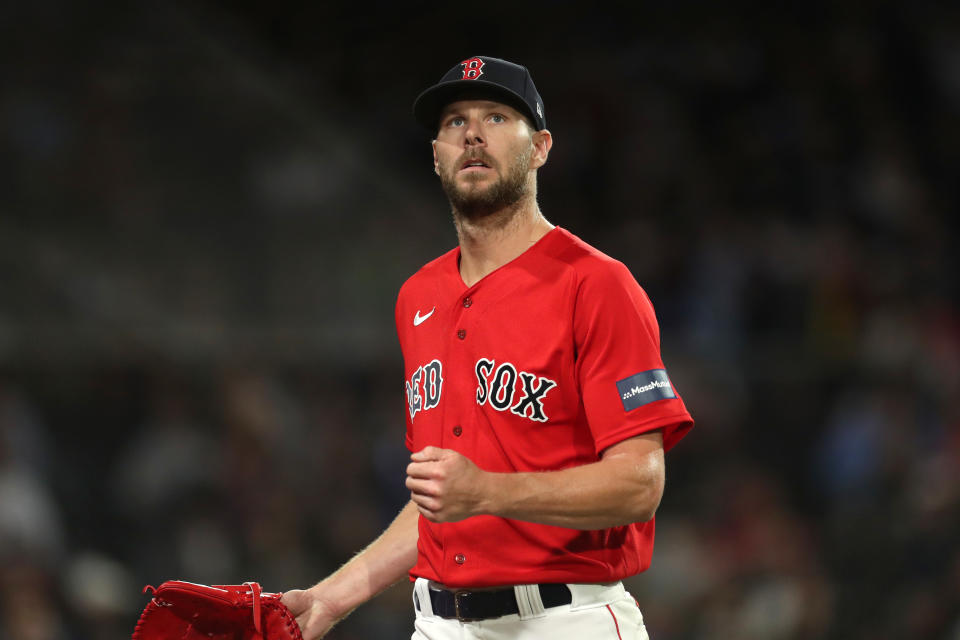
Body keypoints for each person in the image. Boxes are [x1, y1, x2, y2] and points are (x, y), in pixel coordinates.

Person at [282, 55, 694, 640]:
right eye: (454, 122)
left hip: (565, 618)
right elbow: (439, 500)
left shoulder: (597, 284)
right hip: (437, 623)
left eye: (497, 117)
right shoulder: (417, 296)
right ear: (435, 155)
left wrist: (488, 491)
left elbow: (639, 484)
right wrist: (329, 599)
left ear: (542, 147)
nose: (472, 133)